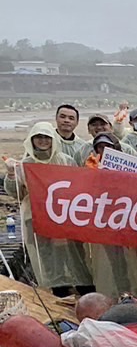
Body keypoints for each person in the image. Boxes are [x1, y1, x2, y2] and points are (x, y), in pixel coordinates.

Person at [5, 121, 94, 297]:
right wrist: (10, 175)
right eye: (38, 137)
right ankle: (59, 294)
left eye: (47, 137)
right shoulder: (25, 165)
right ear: (32, 140)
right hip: (38, 220)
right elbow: (16, 192)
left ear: (53, 139)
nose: (43, 141)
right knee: (50, 262)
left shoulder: (65, 161)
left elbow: (78, 187)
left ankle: (86, 292)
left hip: (66, 219)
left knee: (76, 258)